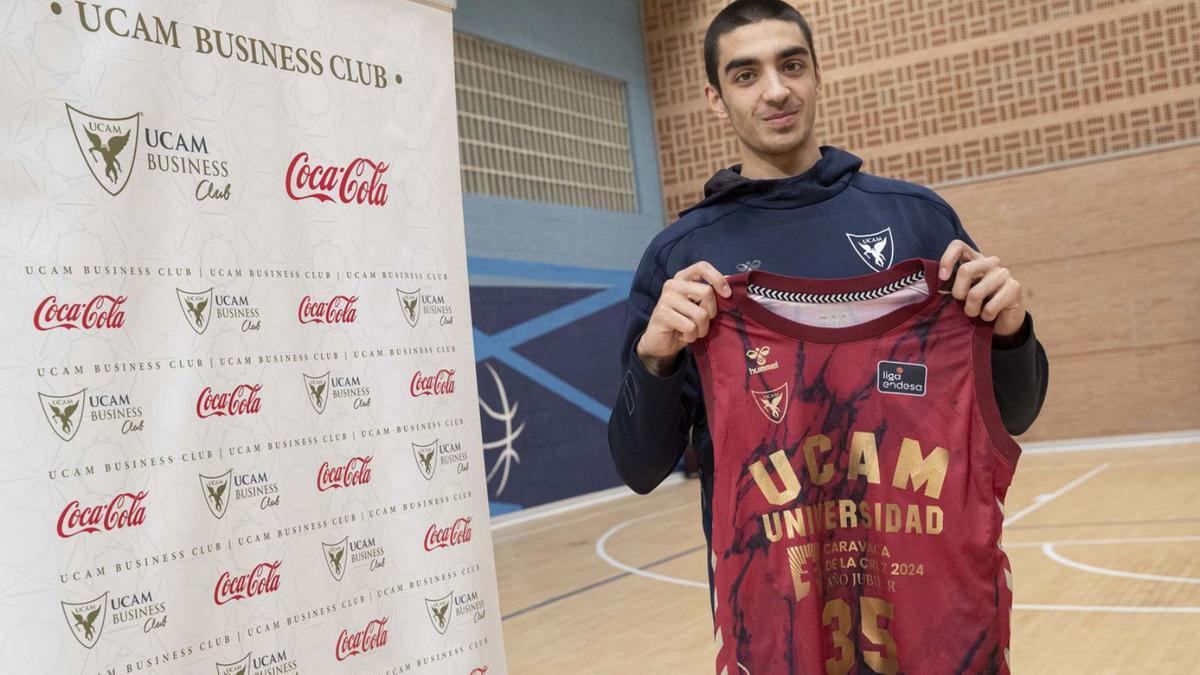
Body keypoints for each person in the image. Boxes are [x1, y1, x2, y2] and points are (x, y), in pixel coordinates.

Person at [607, 0, 1048, 618]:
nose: (776, 90)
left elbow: (1015, 414)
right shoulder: (683, 258)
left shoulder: (917, 219)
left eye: (792, 65)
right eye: (746, 74)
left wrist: (1011, 334)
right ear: (716, 98)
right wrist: (654, 360)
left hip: (924, 603)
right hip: (777, 613)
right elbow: (640, 466)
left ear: (818, 74)